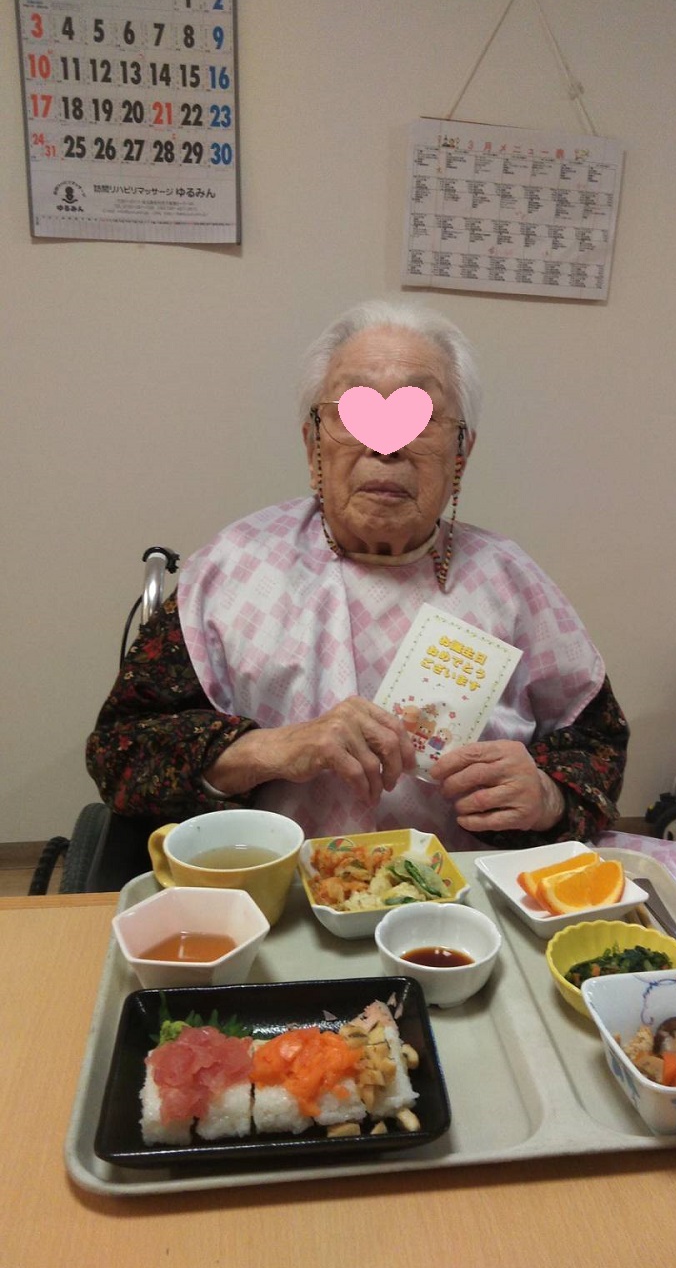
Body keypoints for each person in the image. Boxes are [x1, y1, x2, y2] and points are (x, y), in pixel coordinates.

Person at [87, 299, 628, 857]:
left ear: (460, 453)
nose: (385, 446)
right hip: (272, 887)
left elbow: (597, 745)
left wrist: (549, 795)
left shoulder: (512, 585)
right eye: (354, 412)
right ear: (313, 444)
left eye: (420, 417)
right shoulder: (231, 572)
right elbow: (119, 756)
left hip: (465, 891)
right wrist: (270, 750)